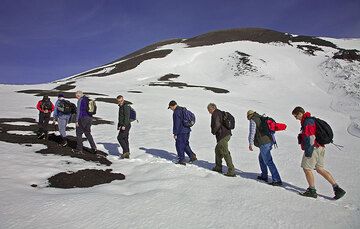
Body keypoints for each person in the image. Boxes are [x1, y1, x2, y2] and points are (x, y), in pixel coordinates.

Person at [292, 106, 346, 199]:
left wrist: (308, 151)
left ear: (300, 113)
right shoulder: (311, 120)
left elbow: (310, 137)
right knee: (320, 169)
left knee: (307, 168)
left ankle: (312, 191)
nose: (296, 118)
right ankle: (337, 189)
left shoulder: (307, 121)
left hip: (313, 148)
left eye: (296, 116)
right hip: (321, 147)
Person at [247, 110, 282, 186]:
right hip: (269, 140)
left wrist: (250, 143)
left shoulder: (253, 120)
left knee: (268, 161)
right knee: (261, 158)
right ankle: (264, 176)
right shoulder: (261, 117)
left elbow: (252, 132)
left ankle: (277, 180)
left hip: (264, 143)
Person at [207, 103, 235, 177]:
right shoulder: (220, 112)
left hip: (223, 135)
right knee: (217, 150)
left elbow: (217, 124)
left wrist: (213, 131)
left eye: (209, 110)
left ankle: (231, 170)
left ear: (212, 108)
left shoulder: (215, 113)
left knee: (225, 152)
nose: (209, 112)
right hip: (226, 134)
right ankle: (218, 167)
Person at [168, 100, 197, 165]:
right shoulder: (182, 109)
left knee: (179, 145)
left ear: (172, 106)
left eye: (170, 108)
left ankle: (181, 160)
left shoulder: (176, 112)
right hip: (187, 130)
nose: (171, 109)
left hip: (181, 132)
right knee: (185, 144)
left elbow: (177, 124)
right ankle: (192, 156)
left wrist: (175, 133)